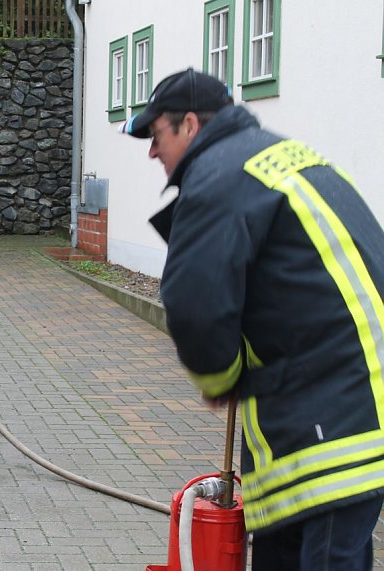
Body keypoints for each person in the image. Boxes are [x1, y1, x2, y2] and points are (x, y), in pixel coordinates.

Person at [122, 68, 384, 570]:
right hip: (354, 405)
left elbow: (194, 300)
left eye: (156, 135)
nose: (152, 152)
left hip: (329, 429)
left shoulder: (217, 176)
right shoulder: (284, 157)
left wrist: (220, 376)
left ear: (191, 125)